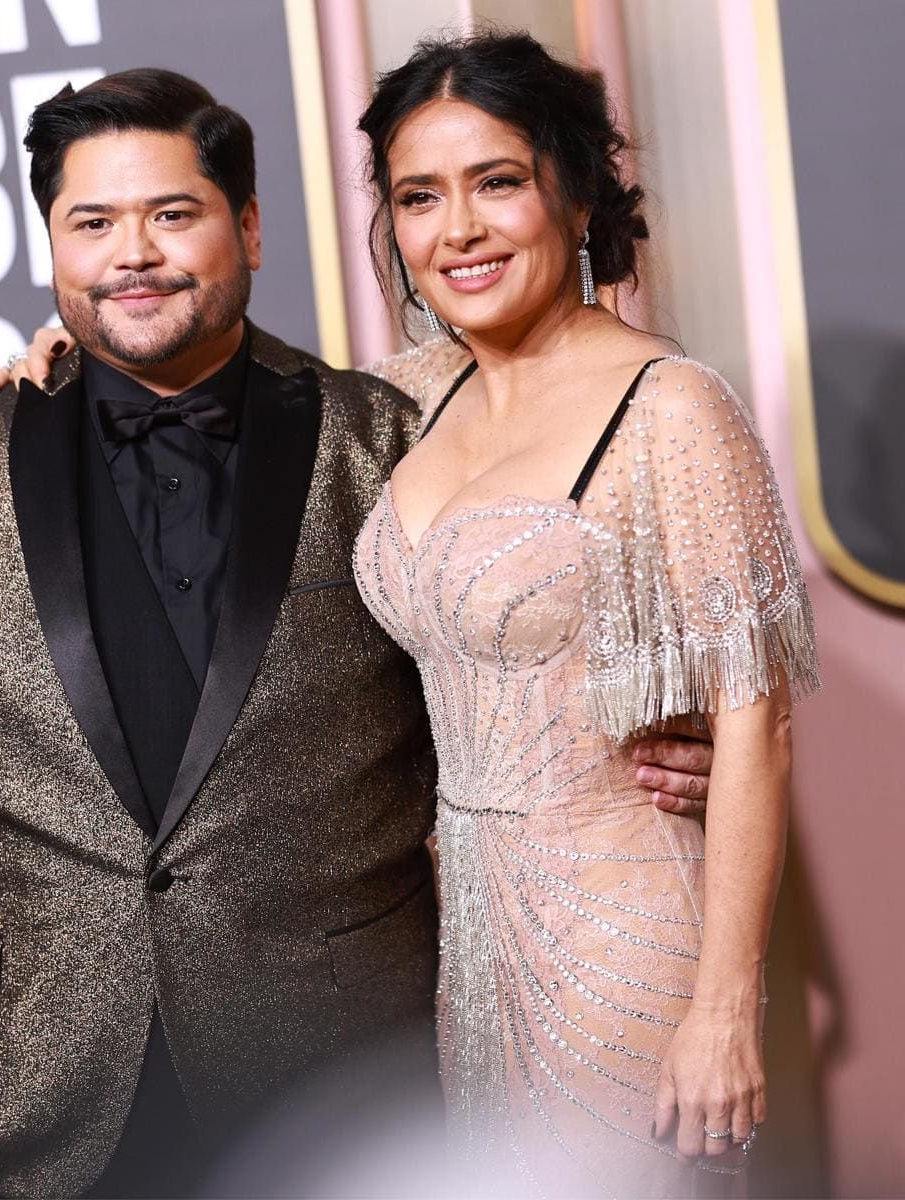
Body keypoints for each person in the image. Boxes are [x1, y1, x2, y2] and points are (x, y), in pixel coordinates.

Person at [0, 69, 713, 1199]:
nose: (134, 252)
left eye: (173, 214)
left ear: (249, 227)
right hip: (1, 1099)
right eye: (93, 223)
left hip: (339, 1094)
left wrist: (640, 750)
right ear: (53, 246)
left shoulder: (399, 440)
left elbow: (510, 639)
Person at [350, 31, 817, 1197]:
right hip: (462, 945)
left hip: (624, 935)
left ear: (573, 195)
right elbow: (224, 401)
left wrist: (725, 1009)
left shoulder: (670, 409)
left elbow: (753, 727)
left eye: (496, 183)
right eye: (420, 197)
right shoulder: (405, 398)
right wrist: (68, 365)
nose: (457, 229)